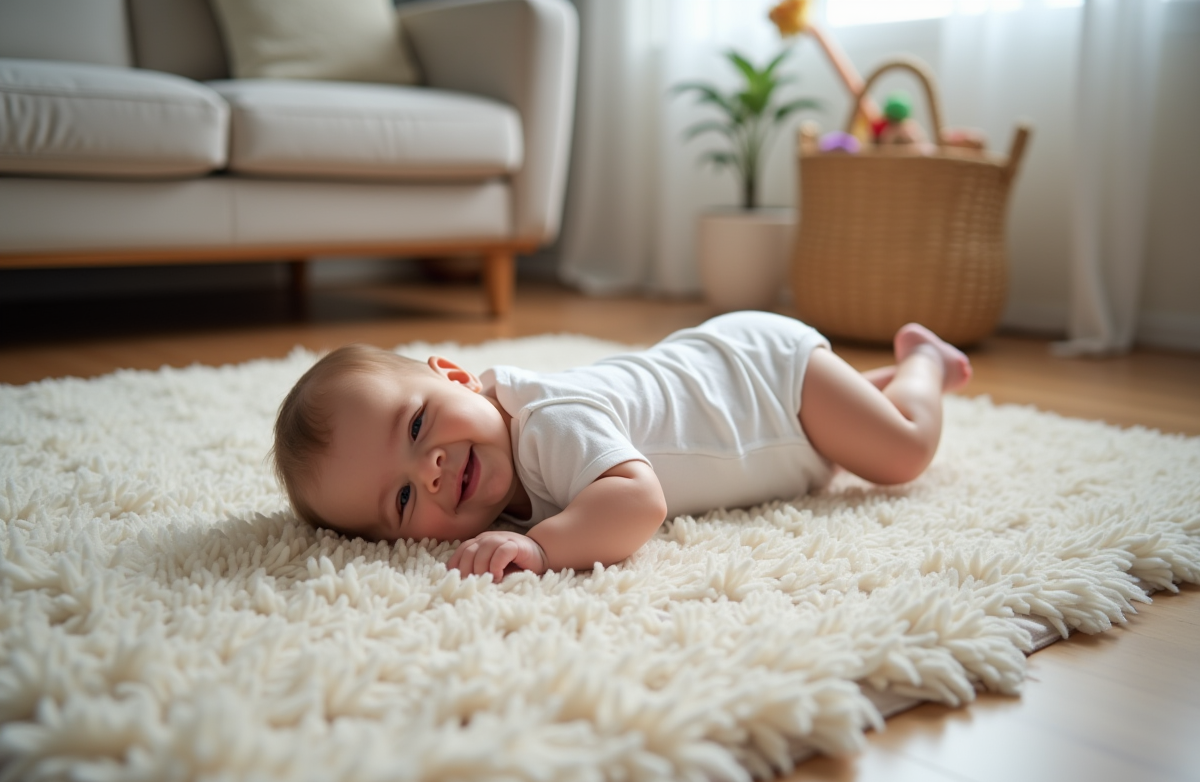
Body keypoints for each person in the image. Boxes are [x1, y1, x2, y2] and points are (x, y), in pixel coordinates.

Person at [271, 312, 972, 582]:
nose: (428, 471)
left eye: (419, 426)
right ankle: (861, 393)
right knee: (847, 436)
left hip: (765, 377)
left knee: (901, 453)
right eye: (398, 499)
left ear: (456, 377)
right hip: (783, 430)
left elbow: (637, 502)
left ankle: (923, 365)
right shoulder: (495, 490)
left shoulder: (545, 419)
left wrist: (544, 549)